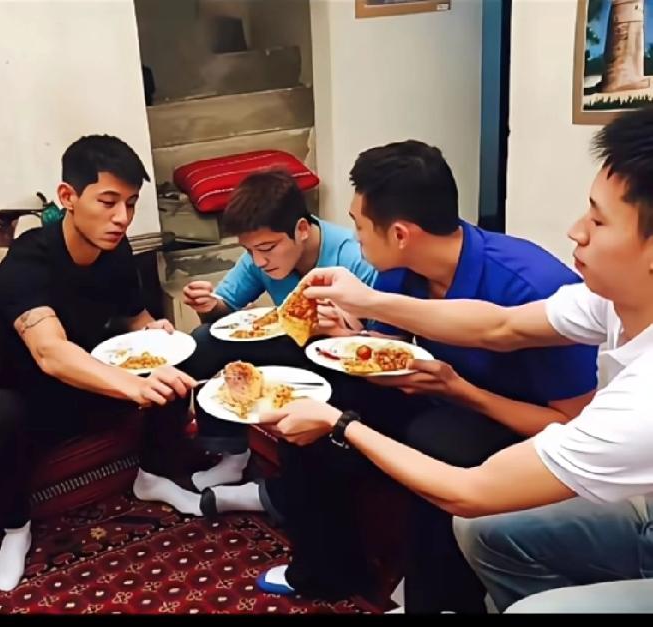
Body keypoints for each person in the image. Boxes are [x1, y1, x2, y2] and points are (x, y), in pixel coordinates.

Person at [262, 109, 653, 613]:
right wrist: (364, 307)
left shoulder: (542, 290)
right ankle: (326, 569)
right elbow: (500, 327)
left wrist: (342, 424)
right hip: (462, 408)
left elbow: (475, 488)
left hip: (523, 437)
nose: (576, 231)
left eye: (598, 221)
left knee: (442, 445)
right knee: (327, 390)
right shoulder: (607, 300)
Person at [0, 135, 199, 593]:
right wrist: (133, 386)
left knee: (173, 369)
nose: (122, 218)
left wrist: (154, 333)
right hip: (29, 396)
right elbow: (50, 353)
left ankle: (153, 476)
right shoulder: (27, 261)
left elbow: (134, 315)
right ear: (68, 197)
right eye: (108, 202)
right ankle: (15, 529)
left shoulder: (117, 249)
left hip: (89, 386)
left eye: (130, 203)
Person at [178, 170, 376, 505]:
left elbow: (379, 348)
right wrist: (209, 306)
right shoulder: (260, 256)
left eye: (267, 248)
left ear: (302, 229)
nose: (259, 261)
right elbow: (226, 313)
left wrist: (344, 331)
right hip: (292, 344)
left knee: (332, 399)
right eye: (249, 250)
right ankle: (232, 455)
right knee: (204, 340)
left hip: (343, 359)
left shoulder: (353, 258)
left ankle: (278, 495)